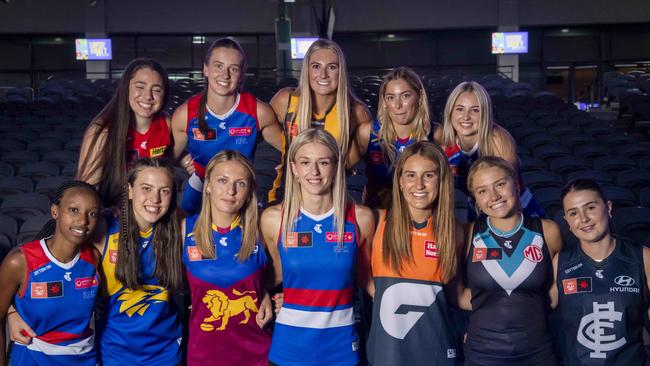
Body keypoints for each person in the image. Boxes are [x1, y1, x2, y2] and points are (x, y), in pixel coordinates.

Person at [7, 158, 185, 365]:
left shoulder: (178, 228)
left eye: (164, 190)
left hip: (167, 351)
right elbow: (45, 258)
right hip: (115, 351)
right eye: (146, 188)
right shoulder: (103, 226)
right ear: (130, 190)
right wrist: (12, 311)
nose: (155, 198)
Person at [260, 128, 375, 366]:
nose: (314, 172)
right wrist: (262, 295)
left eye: (323, 162)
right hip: (289, 349)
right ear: (294, 168)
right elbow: (268, 277)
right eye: (305, 162)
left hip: (341, 348)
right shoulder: (274, 219)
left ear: (335, 167)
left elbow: (370, 283)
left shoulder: (359, 218)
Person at [366, 141, 462, 365]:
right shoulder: (376, 221)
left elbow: (457, 293)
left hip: (437, 349)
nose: (418, 184)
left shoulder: (454, 230)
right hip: (387, 351)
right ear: (399, 181)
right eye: (410, 175)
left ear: (441, 181)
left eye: (428, 175)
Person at [460, 156, 562, 365]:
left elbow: (562, 282)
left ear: (516, 184)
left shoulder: (548, 231)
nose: (494, 196)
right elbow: (456, 292)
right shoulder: (468, 234)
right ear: (475, 200)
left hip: (538, 349)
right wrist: (490, 314)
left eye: (500, 184)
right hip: (482, 351)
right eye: (482, 191)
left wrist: (530, 309)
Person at [172, 38, 284, 214]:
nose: (225, 75)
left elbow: (291, 149)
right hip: (201, 185)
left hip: (239, 188)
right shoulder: (185, 114)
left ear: (241, 74)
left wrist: (288, 164)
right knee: (183, 228)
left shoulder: (259, 112)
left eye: (233, 68)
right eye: (218, 66)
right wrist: (183, 159)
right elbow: (164, 158)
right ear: (205, 69)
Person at [182, 150, 273, 366]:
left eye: (240, 183)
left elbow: (283, 275)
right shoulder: (185, 229)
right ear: (208, 186)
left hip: (256, 353)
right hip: (203, 353)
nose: (230, 191)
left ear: (249, 191)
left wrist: (267, 292)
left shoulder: (262, 229)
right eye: (222, 180)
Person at [0, 181, 102, 365]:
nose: (83, 220)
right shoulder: (20, 261)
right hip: (32, 357)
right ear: (55, 211)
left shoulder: (94, 258)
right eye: (73, 210)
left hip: (84, 358)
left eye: (92, 213)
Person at [554, 178, 650, 365]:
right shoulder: (561, 262)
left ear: (608, 207)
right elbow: (532, 312)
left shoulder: (643, 258)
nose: (583, 219)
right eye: (573, 213)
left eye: (590, 207)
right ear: (567, 221)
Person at [434, 81, 544, 220]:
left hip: (517, 209)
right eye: (460, 109)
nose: (466, 117)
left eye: (475, 110)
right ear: (450, 112)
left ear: (485, 113)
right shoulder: (445, 146)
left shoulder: (497, 139)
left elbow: (508, 193)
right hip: (478, 210)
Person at [77, 58, 173, 207]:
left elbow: (172, 156)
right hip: (113, 213)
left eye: (156, 89)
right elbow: (87, 191)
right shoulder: (102, 130)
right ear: (125, 88)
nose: (148, 96)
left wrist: (186, 160)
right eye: (140, 87)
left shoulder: (166, 123)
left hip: (153, 210)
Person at [269, 38, 371, 163]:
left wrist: (344, 167)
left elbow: (363, 158)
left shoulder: (358, 112)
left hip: (332, 181)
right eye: (316, 66)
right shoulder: (285, 100)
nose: (323, 75)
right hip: (291, 180)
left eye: (332, 67)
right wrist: (289, 157)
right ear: (307, 70)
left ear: (341, 72)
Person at [348, 67, 433, 208]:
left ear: (419, 97)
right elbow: (336, 172)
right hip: (378, 215)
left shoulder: (436, 134)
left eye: (405, 96)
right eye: (391, 97)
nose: (398, 105)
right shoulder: (367, 132)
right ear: (384, 102)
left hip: (421, 217)